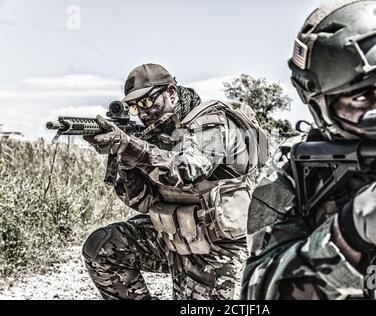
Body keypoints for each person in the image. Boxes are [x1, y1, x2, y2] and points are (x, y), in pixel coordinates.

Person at [242, 0, 376, 300]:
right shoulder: (294, 175)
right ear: (321, 107)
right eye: (364, 95)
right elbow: (257, 297)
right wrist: (347, 235)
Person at [82, 63, 268, 300]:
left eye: (147, 102)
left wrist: (131, 147)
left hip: (219, 247)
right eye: (135, 107)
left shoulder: (211, 121)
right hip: (175, 235)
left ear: (171, 92)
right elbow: (142, 202)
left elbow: (189, 169)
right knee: (102, 247)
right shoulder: (155, 134)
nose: (142, 112)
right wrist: (127, 165)